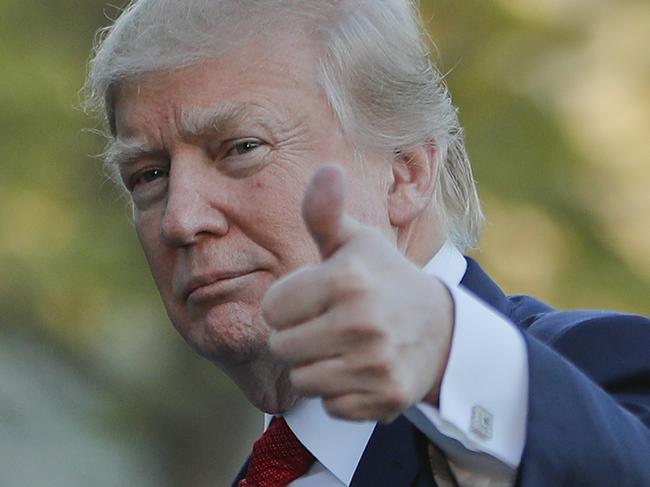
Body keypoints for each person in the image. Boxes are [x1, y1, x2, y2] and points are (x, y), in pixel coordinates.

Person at [84, 1, 650, 486]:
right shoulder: (270, 466)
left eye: (241, 147)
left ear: (406, 173)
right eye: (149, 176)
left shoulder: (602, 376)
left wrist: (451, 356)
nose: (180, 220)